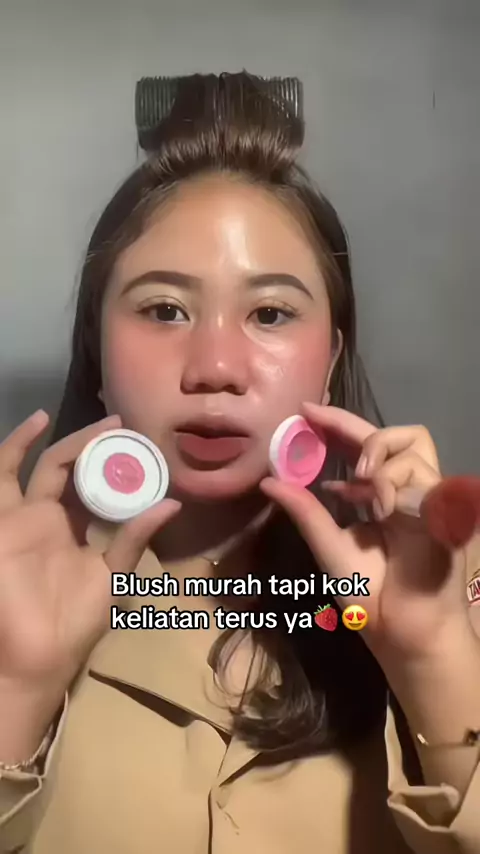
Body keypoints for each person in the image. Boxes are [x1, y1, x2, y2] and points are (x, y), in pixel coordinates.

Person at [0, 72, 479, 854]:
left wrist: (433, 659)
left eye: (270, 313)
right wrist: (14, 691)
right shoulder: (12, 594)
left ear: (331, 359)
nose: (215, 367)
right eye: (164, 310)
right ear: (96, 353)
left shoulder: (456, 586)